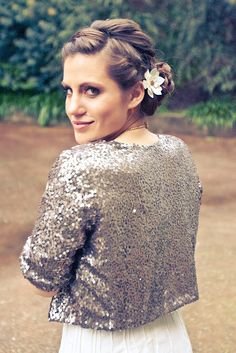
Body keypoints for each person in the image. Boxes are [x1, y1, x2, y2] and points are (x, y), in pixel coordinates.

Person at [20, 18, 202, 353]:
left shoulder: (81, 165)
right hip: (172, 337)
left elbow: (43, 280)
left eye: (91, 90)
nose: (73, 107)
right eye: (69, 90)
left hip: (99, 341)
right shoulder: (179, 153)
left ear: (134, 93)